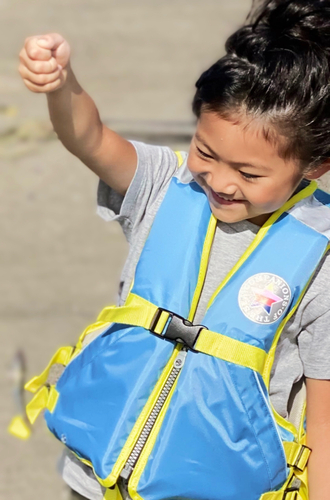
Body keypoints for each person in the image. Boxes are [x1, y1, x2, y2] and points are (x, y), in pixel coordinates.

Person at [18, 0, 330, 499]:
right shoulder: (165, 186)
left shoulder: (321, 261)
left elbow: (324, 425)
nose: (220, 181)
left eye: (249, 173)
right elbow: (89, 136)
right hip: (94, 481)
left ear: (314, 167)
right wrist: (61, 83)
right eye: (206, 151)